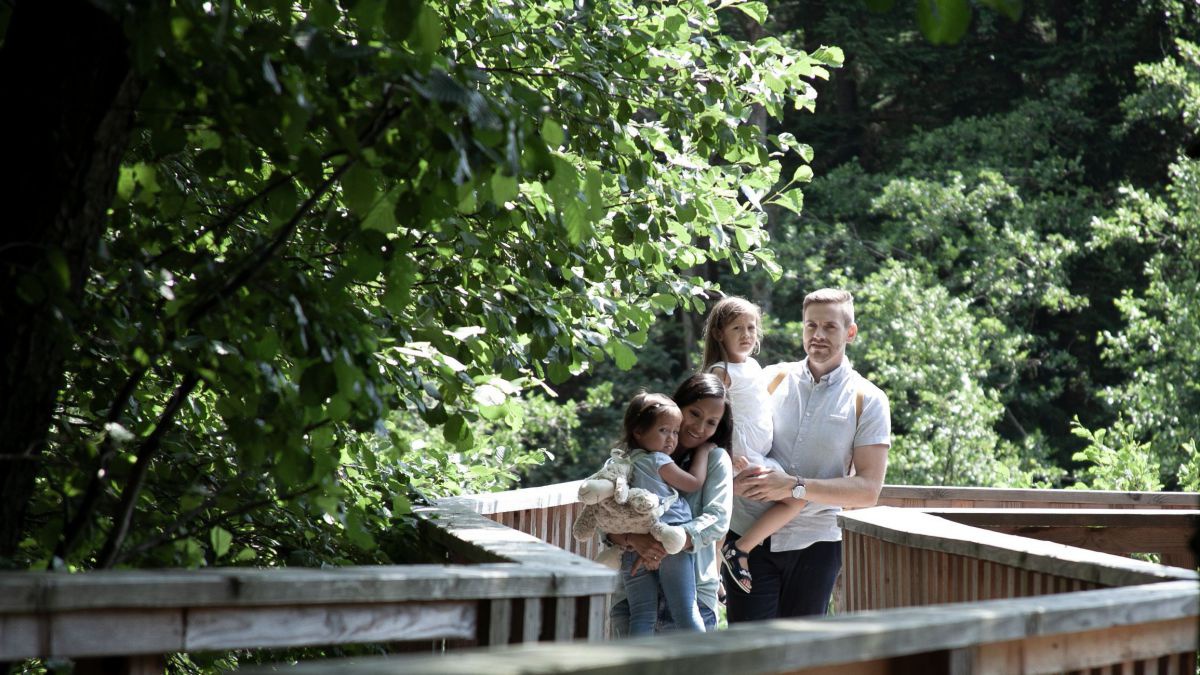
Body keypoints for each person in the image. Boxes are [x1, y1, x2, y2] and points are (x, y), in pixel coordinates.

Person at [726, 288, 891, 621]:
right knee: (747, 654)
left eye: (829, 327)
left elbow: (868, 490)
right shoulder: (769, 378)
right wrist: (733, 477)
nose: (818, 335)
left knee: (801, 658)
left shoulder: (868, 399)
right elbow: (730, 434)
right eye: (810, 326)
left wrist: (794, 487)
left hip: (816, 544)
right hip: (746, 538)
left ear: (850, 332)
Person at [607, 373, 734, 634]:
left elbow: (717, 520)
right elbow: (605, 516)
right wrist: (633, 539)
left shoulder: (715, 459)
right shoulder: (630, 458)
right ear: (678, 407)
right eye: (695, 413)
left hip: (694, 597)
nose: (700, 428)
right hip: (633, 598)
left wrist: (668, 542)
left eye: (711, 422)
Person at [700, 296, 805, 594]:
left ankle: (719, 566)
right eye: (737, 328)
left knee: (725, 506)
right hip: (741, 456)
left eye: (751, 328)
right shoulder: (721, 371)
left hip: (758, 453)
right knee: (796, 498)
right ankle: (736, 552)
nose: (747, 335)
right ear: (720, 333)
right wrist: (727, 455)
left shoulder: (754, 365)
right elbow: (712, 417)